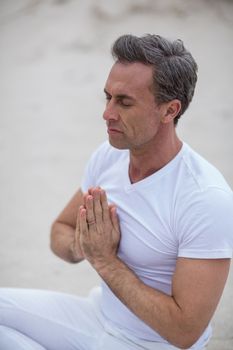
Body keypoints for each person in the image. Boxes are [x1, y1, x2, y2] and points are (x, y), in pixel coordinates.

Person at [0, 34, 233, 350]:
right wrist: (83, 245)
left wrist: (105, 260)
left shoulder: (206, 198)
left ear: (169, 110)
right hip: (98, 317)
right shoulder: (110, 155)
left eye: (124, 102)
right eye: (107, 97)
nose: (107, 113)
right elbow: (60, 231)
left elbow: (184, 332)